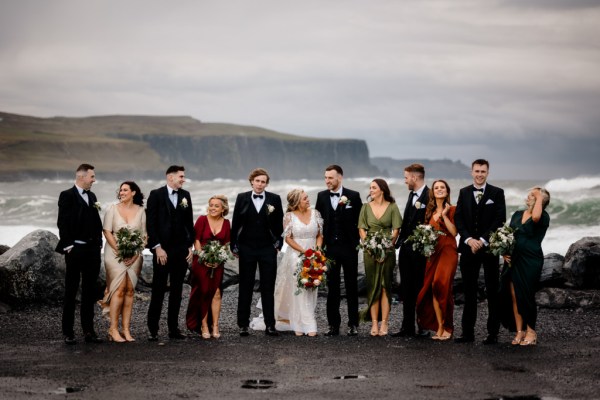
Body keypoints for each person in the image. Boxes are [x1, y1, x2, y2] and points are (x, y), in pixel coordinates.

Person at [454, 159, 506, 344]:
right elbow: (458, 218)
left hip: (489, 248)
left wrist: (483, 240)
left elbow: (500, 220)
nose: (479, 174)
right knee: (469, 291)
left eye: (483, 171)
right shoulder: (464, 192)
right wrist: (469, 240)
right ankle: (467, 333)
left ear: (488, 172)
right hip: (468, 248)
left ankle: (493, 333)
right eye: (477, 171)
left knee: (493, 290)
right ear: (471, 172)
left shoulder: (497, 193)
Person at [231, 168, 284, 337]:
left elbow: (279, 224)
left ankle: (270, 325)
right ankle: (243, 325)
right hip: (246, 248)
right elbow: (236, 222)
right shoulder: (242, 198)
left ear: (266, 184)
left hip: (268, 248)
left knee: (268, 287)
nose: (260, 184)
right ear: (252, 181)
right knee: (245, 286)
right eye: (257, 181)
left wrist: (278, 245)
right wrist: (234, 245)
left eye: (263, 182)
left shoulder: (274, 199)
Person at [56, 163, 104, 345]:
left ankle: (89, 331)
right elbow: (62, 223)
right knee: (71, 290)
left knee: (89, 292)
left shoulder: (92, 196)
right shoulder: (66, 195)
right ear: (81, 177)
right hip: (75, 250)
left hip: (92, 251)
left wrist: (99, 243)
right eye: (92, 177)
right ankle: (68, 332)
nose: (94, 180)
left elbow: (96, 221)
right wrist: (69, 247)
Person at [146, 166, 194, 341]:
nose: (183, 179)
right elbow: (150, 223)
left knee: (177, 290)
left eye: (183, 176)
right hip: (162, 251)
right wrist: (157, 247)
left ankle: (173, 328)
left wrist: (189, 246)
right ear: (170, 177)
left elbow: (189, 222)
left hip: (180, 250)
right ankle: (152, 329)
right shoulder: (156, 195)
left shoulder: (185, 196)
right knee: (158, 289)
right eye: (181, 176)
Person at [315, 165, 362, 336]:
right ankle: (333, 325)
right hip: (330, 249)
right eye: (326, 177)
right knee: (332, 288)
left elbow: (360, 221)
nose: (327, 181)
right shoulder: (321, 196)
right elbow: (318, 222)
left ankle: (353, 324)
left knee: (351, 286)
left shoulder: (354, 196)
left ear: (340, 178)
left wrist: (357, 243)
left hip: (349, 248)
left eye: (330, 178)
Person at [500, 187, 550, 346]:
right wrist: (503, 252)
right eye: (530, 194)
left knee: (526, 294)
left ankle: (531, 331)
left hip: (531, 260)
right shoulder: (517, 214)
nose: (529, 196)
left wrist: (539, 195)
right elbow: (508, 235)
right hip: (513, 259)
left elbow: (535, 217)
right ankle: (520, 330)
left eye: (533, 196)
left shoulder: (543, 216)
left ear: (540, 201)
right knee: (514, 295)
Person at [100, 181, 146, 342]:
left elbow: (144, 236)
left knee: (130, 291)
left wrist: (134, 255)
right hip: (114, 253)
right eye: (120, 190)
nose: (122, 192)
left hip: (135, 255)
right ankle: (113, 329)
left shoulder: (141, 211)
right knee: (118, 290)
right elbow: (107, 231)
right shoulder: (112, 209)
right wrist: (120, 251)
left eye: (125, 190)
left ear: (133, 192)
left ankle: (126, 329)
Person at [273, 189, 324, 336]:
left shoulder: (316, 213)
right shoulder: (289, 216)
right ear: (296, 202)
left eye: (307, 197)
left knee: (312, 286)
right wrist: (303, 251)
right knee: (299, 288)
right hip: (296, 255)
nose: (308, 200)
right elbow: (288, 238)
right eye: (304, 198)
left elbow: (320, 235)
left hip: (314, 255)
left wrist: (318, 251)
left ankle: (308, 321)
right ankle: (300, 324)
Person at [358, 179, 402, 336]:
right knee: (373, 286)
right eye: (370, 188)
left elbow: (396, 229)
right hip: (370, 252)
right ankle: (374, 324)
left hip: (388, 251)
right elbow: (362, 229)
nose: (371, 190)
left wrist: (388, 246)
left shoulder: (392, 207)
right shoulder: (365, 207)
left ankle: (385, 323)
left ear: (382, 190)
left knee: (384, 286)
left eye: (374, 187)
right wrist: (369, 246)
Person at [415, 180, 458, 341]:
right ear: (433, 192)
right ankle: (439, 327)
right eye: (436, 188)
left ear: (447, 191)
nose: (439, 190)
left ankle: (448, 327)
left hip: (448, 250)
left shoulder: (453, 209)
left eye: (442, 188)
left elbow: (454, 232)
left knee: (442, 284)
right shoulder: (429, 211)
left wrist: (445, 215)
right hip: (433, 253)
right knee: (432, 287)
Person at [186, 195, 231, 339]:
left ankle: (215, 325)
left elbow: (226, 244)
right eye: (211, 205)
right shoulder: (201, 219)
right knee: (204, 291)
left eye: (216, 206)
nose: (212, 208)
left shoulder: (226, 223)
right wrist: (203, 257)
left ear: (223, 208)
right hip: (201, 262)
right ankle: (204, 325)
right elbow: (197, 240)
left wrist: (219, 259)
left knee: (216, 292)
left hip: (218, 262)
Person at [393, 163, 429, 337]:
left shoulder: (429, 196)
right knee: (406, 289)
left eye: (406, 177)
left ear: (415, 177)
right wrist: (397, 244)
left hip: (421, 252)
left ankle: (423, 327)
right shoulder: (411, 195)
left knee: (420, 289)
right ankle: (407, 327)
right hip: (406, 250)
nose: (405, 180)